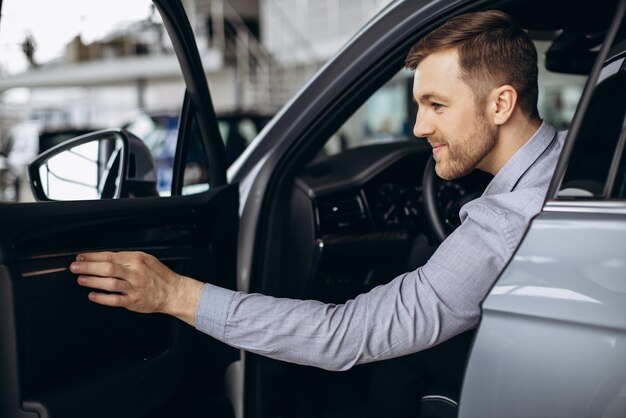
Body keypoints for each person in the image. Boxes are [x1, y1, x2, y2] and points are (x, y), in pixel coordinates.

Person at [70, 9, 565, 415]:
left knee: (400, 359)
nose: (417, 128)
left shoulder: (512, 217)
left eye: (436, 105)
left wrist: (173, 292)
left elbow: (347, 334)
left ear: (501, 104)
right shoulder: (567, 162)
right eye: (418, 105)